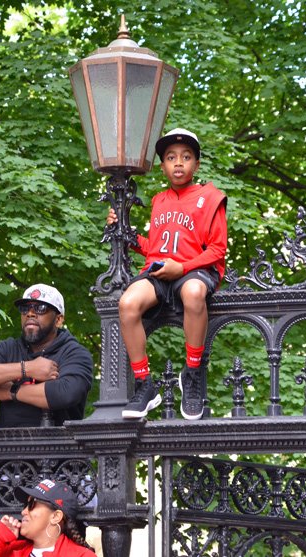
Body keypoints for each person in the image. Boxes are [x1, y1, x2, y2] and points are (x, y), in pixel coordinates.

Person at [108, 128, 227, 421]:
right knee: (127, 304)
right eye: (171, 157)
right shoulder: (159, 200)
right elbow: (155, 248)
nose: (178, 163)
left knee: (194, 292)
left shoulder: (210, 197)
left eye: (186, 157)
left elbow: (218, 249)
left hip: (194, 271)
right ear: (162, 166)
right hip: (160, 272)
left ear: (196, 165)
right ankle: (145, 384)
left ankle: (192, 373)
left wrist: (183, 268)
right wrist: (124, 233)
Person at [0, 284, 93, 427]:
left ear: (58, 320)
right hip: (7, 446)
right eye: (25, 309)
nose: (30, 313)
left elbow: (66, 393)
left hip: (56, 446)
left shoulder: (75, 353)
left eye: (40, 308)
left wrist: (11, 391)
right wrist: (26, 368)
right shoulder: (8, 348)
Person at [0, 479, 96, 556]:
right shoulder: (12, 551)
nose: (23, 511)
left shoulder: (82, 556)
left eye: (31, 504)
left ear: (56, 517)